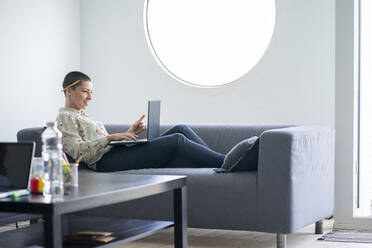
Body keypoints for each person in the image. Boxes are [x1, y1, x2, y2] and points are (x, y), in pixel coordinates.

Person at [56, 71, 252, 172]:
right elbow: (78, 152)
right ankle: (228, 163)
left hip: (115, 153)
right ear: (69, 90)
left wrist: (129, 132)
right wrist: (111, 138)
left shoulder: (84, 115)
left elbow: (100, 142)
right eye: (85, 91)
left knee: (181, 128)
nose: (90, 97)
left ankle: (226, 160)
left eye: (92, 92)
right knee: (176, 140)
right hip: (105, 163)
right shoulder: (64, 118)